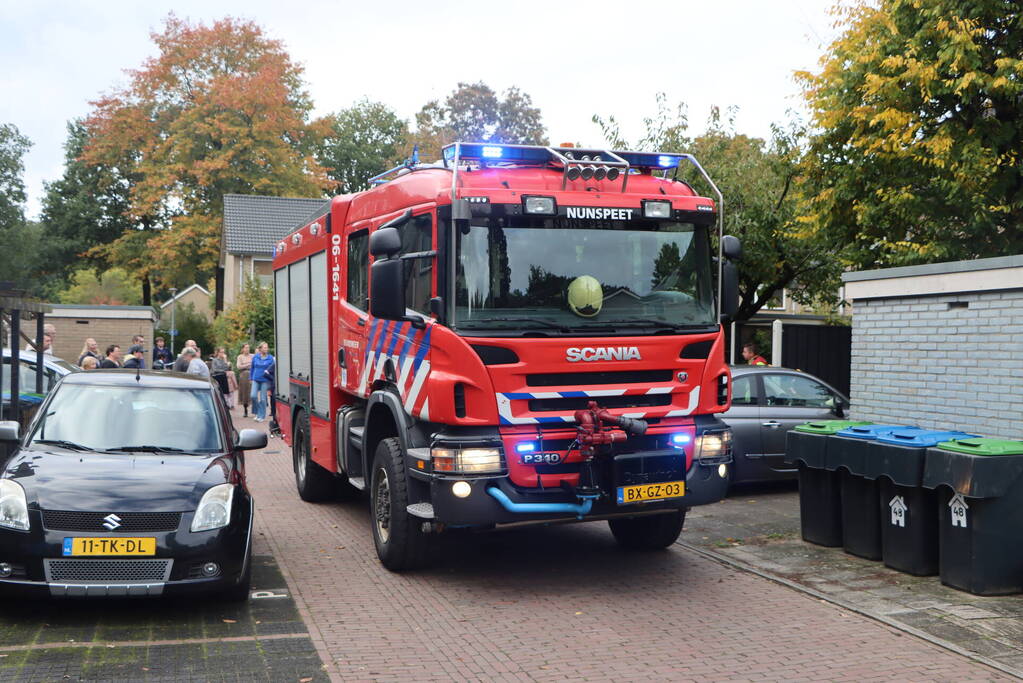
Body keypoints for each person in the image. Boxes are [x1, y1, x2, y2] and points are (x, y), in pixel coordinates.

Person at [249, 342, 275, 423]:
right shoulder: (255, 357)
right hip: (255, 379)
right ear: (260, 349)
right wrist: (251, 378)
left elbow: (272, 370)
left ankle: (262, 416)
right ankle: (257, 413)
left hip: (265, 380)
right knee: (253, 396)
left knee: (263, 399)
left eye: (267, 347)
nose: (266, 349)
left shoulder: (270, 358)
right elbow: (252, 368)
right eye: (264, 347)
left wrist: (271, 381)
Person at [236, 343, 253, 417]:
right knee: (245, 393)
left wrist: (245, 365)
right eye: (246, 348)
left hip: (252, 375)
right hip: (244, 376)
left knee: (252, 393)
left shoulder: (252, 356)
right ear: (243, 349)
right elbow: (239, 366)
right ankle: (245, 409)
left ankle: (254, 409)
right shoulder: (240, 357)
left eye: (248, 348)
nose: (247, 349)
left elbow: (254, 365)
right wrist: (248, 365)